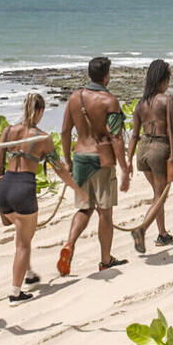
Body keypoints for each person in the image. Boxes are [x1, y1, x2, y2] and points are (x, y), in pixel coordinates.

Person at [0, 93, 88, 305]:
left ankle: (29, 274)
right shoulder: (42, 138)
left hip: (5, 187)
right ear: (40, 111)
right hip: (24, 187)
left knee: (21, 236)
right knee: (23, 244)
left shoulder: (7, 131)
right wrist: (78, 190)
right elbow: (59, 169)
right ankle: (15, 292)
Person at [57, 56, 131, 275]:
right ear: (106, 75)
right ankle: (105, 260)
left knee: (84, 208)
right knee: (105, 213)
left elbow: (64, 131)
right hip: (101, 159)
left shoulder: (74, 98)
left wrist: (68, 160)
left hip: (80, 156)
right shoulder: (109, 101)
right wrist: (125, 168)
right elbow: (116, 137)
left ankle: (70, 243)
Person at [126, 60, 173, 253]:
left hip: (142, 150)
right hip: (160, 147)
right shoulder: (167, 101)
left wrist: (128, 161)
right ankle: (142, 229)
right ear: (163, 79)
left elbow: (134, 135)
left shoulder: (141, 104)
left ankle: (163, 234)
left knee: (157, 195)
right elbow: (171, 130)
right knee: (160, 197)